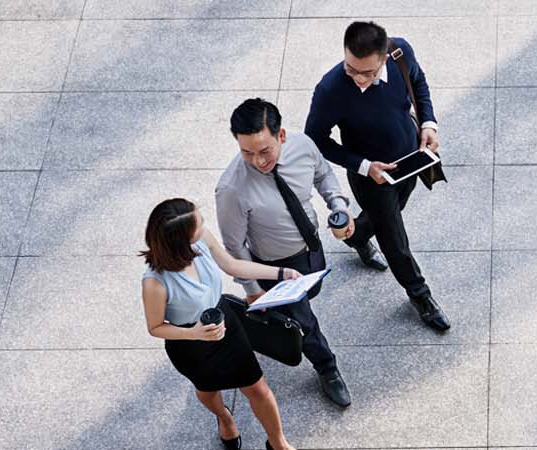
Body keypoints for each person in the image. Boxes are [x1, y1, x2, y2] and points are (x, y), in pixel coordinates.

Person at [305, 20, 450, 332]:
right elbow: (315, 138)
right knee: (394, 238)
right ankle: (419, 294)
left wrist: (428, 124)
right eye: (350, 68)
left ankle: (356, 235)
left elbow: (419, 82)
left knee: (394, 211)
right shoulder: (330, 90)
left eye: (367, 72)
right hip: (370, 175)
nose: (358, 79)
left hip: (411, 157)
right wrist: (364, 166)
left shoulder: (401, 53)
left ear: (383, 58)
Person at [216, 98, 353, 408]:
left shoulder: (302, 146)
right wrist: (252, 290)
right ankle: (327, 367)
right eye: (246, 152)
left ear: (281, 135)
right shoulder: (231, 189)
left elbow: (323, 174)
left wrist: (339, 205)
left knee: (312, 291)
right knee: (304, 320)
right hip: (274, 265)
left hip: (311, 246)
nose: (256, 161)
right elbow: (234, 247)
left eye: (264, 151)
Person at [139, 198, 300, 450]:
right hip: (190, 343)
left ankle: (279, 443)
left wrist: (282, 273)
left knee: (257, 387)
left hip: (226, 323)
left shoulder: (201, 238)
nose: (203, 224)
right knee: (207, 389)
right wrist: (194, 333)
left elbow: (232, 265)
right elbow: (155, 327)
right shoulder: (155, 282)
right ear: (181, 239)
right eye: (197, 223)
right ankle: (224, 418)